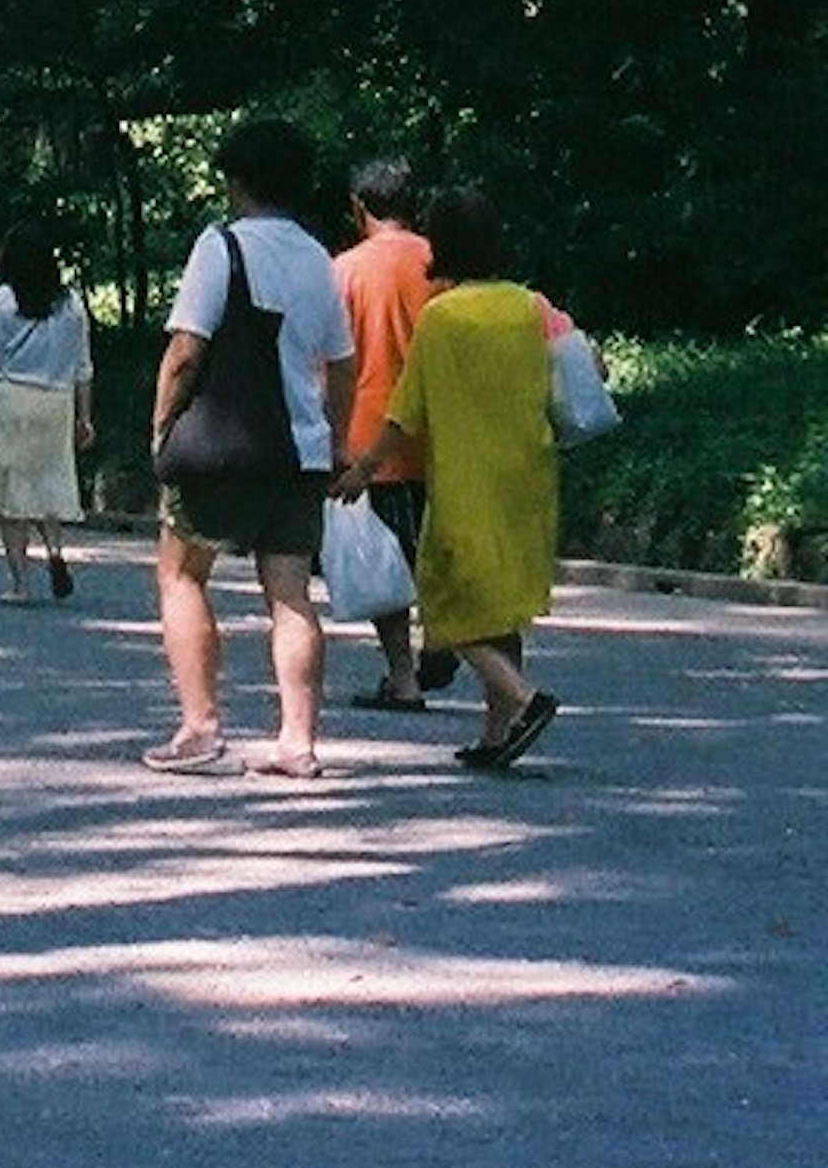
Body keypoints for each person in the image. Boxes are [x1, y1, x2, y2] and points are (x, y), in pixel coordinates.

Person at [146, 117, 356, 781]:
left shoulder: (221, 246)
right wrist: (339, 440)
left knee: (182, 574)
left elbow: (186, 350)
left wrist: (161, 426)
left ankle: (200, 727)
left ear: (235, 180)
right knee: (290, 593)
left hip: (219, 445)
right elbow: (344, 364)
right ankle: (298, 740)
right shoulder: (319, 258)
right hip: (298, 449)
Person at [343, 185, 565, 770]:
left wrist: (362, 469)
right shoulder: (527, 305)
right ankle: (496, 735)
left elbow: (404, 410)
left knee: (445, 608)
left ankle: (524, 699)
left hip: (466, 481)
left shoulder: (443, 318)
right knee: (502, 607)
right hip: (529, 476)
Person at [331, 158, 439, 713]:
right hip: (442, 439)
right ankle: (444, 636)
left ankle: (404, 677)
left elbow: (324, 360)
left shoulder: (344, 271)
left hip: (368, 440)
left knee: (385, 566)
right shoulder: (441, 263)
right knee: (438, 554)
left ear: (359, 206)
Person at [0, 234, 94, 602]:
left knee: (11, 499)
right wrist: (84, 417)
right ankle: (54, 552)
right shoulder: (72, 305)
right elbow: (83, 366)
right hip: (57, 401)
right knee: (48, 482)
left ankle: (21, 584)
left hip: (12, 399)